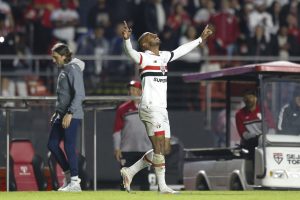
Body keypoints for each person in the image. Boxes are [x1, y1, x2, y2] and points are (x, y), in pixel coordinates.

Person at [120, 21, 214, 194]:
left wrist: (200, 39)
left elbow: (181, 50)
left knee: (165, 149)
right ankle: (162, 187)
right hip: (150, 107)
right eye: (151, 35)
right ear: (145, 44)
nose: (155, 35)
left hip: (162, 108)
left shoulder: (163, 56)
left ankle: (130, 171)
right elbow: (130, 53)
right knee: (158, 148)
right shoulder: (143, 57)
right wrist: (126, 40)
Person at [47, 43, 85, 192]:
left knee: (69, 146)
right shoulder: (65, 69)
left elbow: (80, 94)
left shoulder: (73, 69)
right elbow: (64, 95)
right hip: (61, 114)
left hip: (72, 115)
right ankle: (69, 177)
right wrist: (57, 113)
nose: (53, 60)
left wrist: (69, 113)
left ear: (64, 56)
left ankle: (75, 182)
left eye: (55, 57)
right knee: (52, 144)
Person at [113, 80, 152, 191]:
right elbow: (117, 130)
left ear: (141, 91)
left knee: (145, 180)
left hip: (145, 150)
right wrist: (117, 148)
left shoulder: (149, 108)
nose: (132, 92)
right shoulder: (122, 109)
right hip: (127, 150)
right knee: (125, 179)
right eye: (130, 90)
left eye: (134, 89)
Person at [235, 89, 275, 159]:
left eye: (250, 97)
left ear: (256, 98)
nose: (248, 100)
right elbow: (244, 134)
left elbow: (272, 128)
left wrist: (266, 138)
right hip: (250, 145)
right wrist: (257, 137)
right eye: (246, 98)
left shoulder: (264, 111)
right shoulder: (239, 114)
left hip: (265, 143)